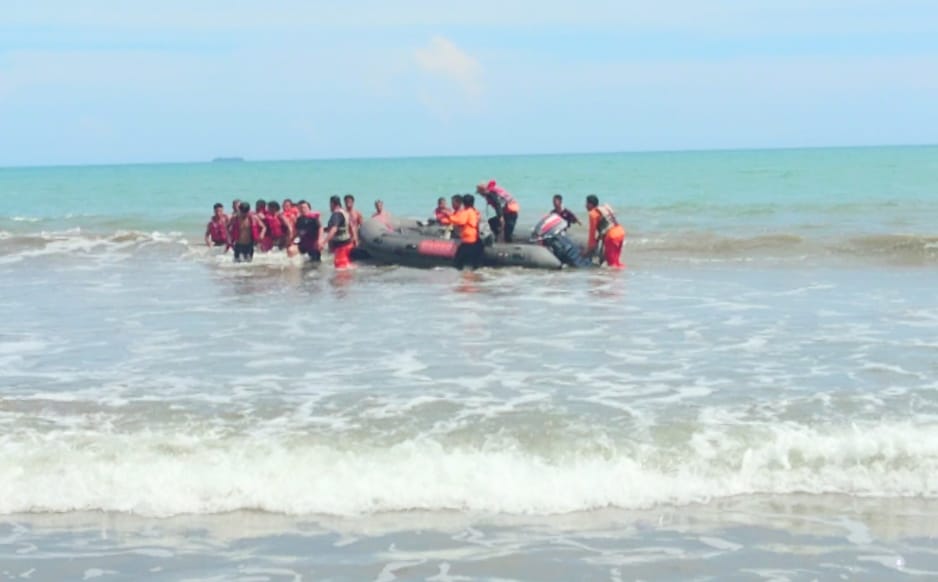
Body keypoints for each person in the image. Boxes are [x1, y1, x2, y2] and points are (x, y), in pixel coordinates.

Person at [584, 195, 626, 268]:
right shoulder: (604, 209)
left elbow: (592, 235)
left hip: (612, 236)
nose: (585, 206)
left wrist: (586, 252)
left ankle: (614, 278)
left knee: (612, 264)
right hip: (620, 232)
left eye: (586, 204)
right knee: (616, 261)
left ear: (590, 204)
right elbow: (607, 224)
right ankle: (621, 276)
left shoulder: (593, 214)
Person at [447, 194, 484, 270]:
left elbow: (460, 221)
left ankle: (461, 276)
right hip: (475, 238)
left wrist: (449, 217)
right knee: (473, 262)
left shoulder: (466, 212)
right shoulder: (474, 211)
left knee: (458, 261)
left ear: (463, 203)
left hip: (468, 240)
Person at [322, 195, 354, 269]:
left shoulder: (336, 214)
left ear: (332, 204)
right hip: (347, 243)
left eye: (330, 204)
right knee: (347, 265)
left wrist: (324, 242)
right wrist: (353, 238)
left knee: (341, 269)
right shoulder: (345, 213)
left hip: (341, 246)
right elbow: (350, 226)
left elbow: (334, 229)